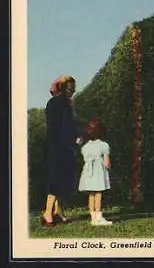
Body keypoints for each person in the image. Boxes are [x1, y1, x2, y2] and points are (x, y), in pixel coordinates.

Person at [41, 75, 82, 227]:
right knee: (56, 178)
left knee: (64, 179)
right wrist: (72, 139)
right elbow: (57, 127)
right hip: (57, 146)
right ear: (62, 88)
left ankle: (58, 212)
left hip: (66, 146)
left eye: (73, 88)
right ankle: (47, 214)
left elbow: (71, 126)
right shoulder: (55, 103)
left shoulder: (67, 103)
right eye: (69, 87)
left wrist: (76, 137)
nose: (72, 90)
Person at [78, 118, 113, 226]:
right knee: (98, 193)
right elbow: (107, 163)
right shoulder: (104, 145)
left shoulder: (85, 147)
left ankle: (93, 217)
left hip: (88, 172)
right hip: (98, 172)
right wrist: (109, 168)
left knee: (91, 194)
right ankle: (98, 217)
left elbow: (85, 159)